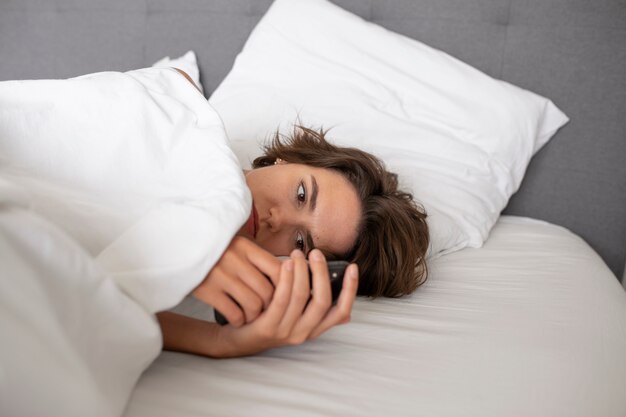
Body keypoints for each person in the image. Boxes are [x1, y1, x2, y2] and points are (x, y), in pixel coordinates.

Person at [157, 71, 429, 358]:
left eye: (300, 242)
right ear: (285, 160)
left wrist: (218, 340)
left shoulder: (208, 267)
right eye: (301, 195)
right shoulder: (185, 107)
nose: (277, 221)